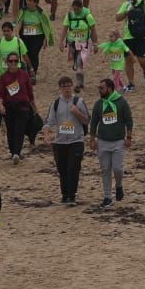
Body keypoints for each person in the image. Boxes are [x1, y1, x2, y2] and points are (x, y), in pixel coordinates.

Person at [44, 77, 89, 205]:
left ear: (72, 86)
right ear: (60, 88)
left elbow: (87, 120)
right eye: (64, 86)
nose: (67, 89)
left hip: (76, 140)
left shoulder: (79, 101)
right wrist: (46, 135)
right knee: (62, 169)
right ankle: (65, 195)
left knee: (73, 168)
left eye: (69, 86)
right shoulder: (56, 103)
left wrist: (77, 112)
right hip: (60, 142)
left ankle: (72, 196)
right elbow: (49, 122)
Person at [88, 78, 132, 209]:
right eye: (98, 88)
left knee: (117, 169)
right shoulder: (98, 104)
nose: (99, 90)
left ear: (110, 88)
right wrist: (92, 139)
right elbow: (94, 122)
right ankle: (107, 197)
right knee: (105, 170)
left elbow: (129, 120)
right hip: (102, 142)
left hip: (118, 141)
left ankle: (119, 185)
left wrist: (129, 137)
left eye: (101, 88)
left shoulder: (121, 102)